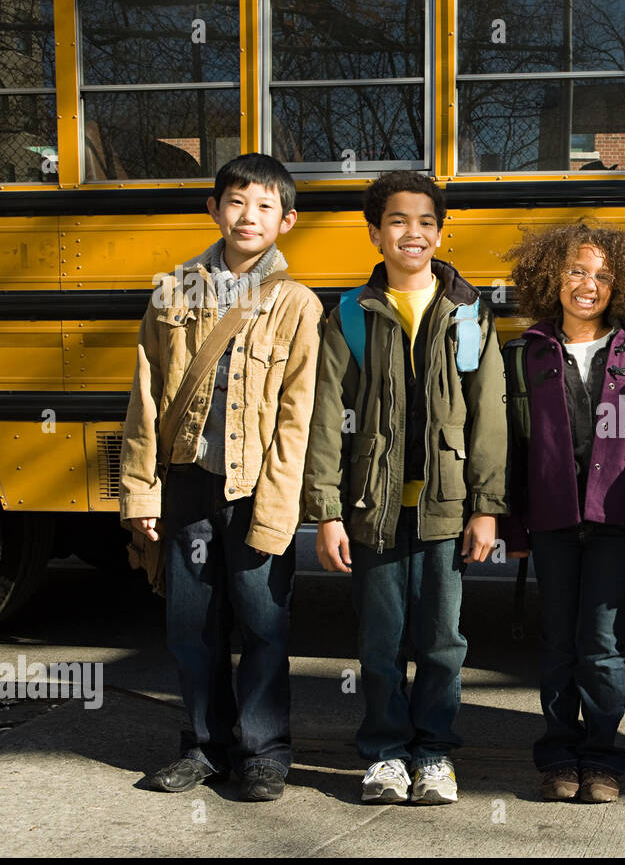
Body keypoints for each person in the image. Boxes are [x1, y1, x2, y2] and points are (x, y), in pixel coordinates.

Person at [121, 153, 322, 802]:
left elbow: (298, 415)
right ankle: (205, 746)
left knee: (263, 624)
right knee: (189, 624)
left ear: (286, 221)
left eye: (265, 205)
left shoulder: (297, 305)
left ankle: (264, 752)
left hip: (255, 488)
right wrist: (141, 493)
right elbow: (146, 398)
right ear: (214, 208)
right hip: (186, 485)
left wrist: (280, 506)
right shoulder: (173, 292)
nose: (249, 215)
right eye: (237, 201)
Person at [304, 172, 508, 804]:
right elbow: (323, 413)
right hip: (375, 507)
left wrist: (487, 506)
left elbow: (489, 411)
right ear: (374, 233)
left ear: (441, 233)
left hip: (447, 508)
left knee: (444, 641)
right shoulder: (350, 314)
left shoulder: (469, 313)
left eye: (424, 222)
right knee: (380, 638)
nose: (411, 233)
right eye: (397, 221)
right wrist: (328, 513)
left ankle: (434, 754)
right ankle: (387, 752)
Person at [498, 222, 625, 804]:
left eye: (603, 275)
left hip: (618, 521)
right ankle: (557, 758)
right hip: (550, 517)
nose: (588, 284)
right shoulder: (522, 354)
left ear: (620, 286)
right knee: (556, 641)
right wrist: (511, 523)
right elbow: (509, 445)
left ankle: (601, 759)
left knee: (599, 643)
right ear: (551, 275)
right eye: (576, 270)